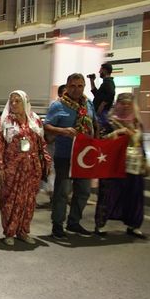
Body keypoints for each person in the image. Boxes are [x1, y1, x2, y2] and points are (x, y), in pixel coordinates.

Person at [0, 91, 51, 246]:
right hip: (12, 168)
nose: (14, 104)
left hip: (32, 167)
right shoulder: (5, 121)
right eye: (11, 101)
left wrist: (46, 161)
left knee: (29, 200)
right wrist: (0, 167)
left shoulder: (35, 120)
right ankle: (10, 232)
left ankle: (23, 231)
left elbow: (41, 144)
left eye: (17, 101)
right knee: (10, 200)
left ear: (25, 102)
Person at [44, 73, 96, 239]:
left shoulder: (88, 104)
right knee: (62, 191)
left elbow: (94, 123)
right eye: (73, 86)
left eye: (80, 86)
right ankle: (57, 225)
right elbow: (47, 126)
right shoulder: (57, 105)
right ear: (66, 87)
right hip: (65, 155)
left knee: (84, 191)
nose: (76, 89)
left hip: (85, 156)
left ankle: (74, 223)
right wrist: (62, 131)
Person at [94, 93, 147, 238]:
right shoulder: (108, 121)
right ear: (117, 104)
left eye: (128, 103)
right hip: (113, 164)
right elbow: (101, 140)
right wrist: (119, 132)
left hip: (134, 164)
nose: (125, 106)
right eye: (122, 103)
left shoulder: (137, 122)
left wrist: (145, 161)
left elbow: (141, 143)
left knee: (134, 195)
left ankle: (134, 225)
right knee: (108, 194)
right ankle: (100, 224)